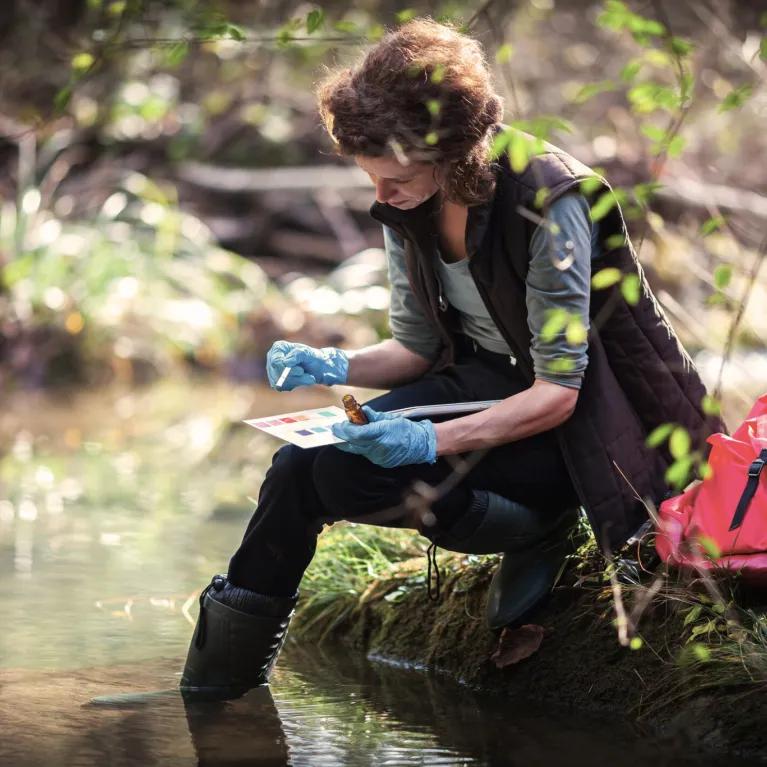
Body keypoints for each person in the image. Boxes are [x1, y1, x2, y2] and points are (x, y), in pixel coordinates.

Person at [179, 18, 720, 702]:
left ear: (451, 153)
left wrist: (425, 440)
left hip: (569, 426)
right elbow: (414, 350)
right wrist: (330, 363)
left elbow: (558, 392)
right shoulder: (408, 202)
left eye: (395, 179)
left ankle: (539, 524)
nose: (381, 197)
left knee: (349, 477)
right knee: (295, 468)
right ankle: (215, 688)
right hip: (480, 386)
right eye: (373, 180)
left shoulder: (550, 202)